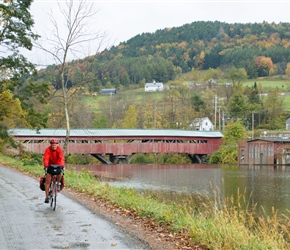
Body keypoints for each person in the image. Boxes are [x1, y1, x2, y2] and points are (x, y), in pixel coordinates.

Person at [43, 139, 65, 203]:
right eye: (52, 145)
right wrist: (46, 166)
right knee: (47, 181)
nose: (54, 146)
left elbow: (61, 158)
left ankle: (57, 183)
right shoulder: (47, 150)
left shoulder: (59, 150)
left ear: (57, 145)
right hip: (50, 165)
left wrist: (62, 165)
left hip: (57, 165)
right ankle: (47, 197)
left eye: (55, 145)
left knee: (60, 173)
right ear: (51, 145)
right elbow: (46, 158)